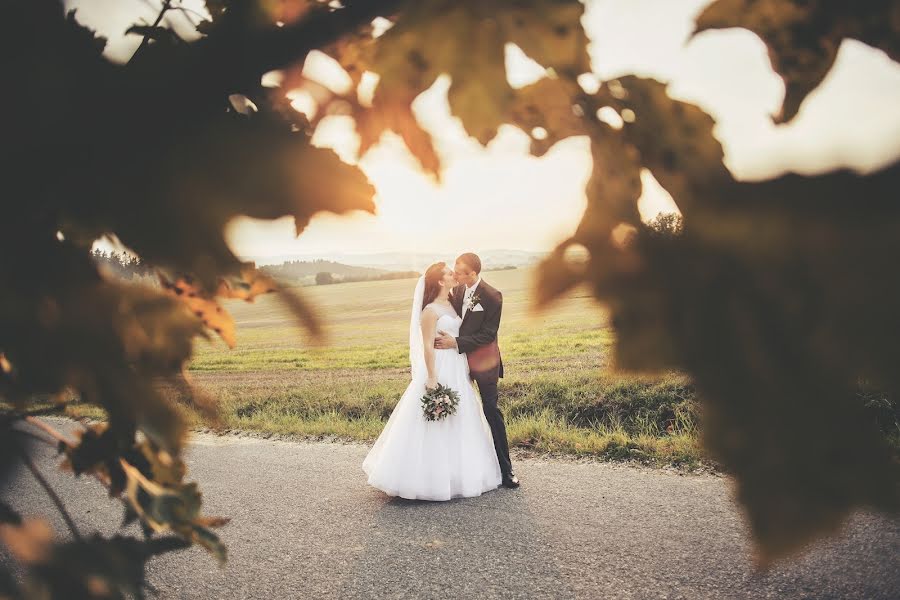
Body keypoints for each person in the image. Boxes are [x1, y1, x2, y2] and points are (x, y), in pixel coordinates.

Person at [362, 262, 502, 500]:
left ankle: (459, 474)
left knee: (462, 418)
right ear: (440, 281)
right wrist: (432, 376)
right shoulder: (429, 310)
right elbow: (427, 346)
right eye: (449, 273)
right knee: (435, 422)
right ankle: (428, 479)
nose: (453, 275)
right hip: (441, 367)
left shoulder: (454, 302)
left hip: (458, 367)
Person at [435, 253, 518, 488]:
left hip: (485, 362)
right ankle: (461, 468)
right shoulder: (458, 291)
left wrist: (456, 343)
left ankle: (506, 469)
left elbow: (487, 334)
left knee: (491, 410)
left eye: (459, 271)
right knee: (461, 413)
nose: (455, 274)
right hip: (457, 362)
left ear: (473, 273)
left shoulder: (493, 296)